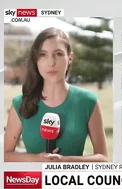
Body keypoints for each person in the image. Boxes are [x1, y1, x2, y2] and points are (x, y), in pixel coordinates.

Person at [4, 27, 108, 162]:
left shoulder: (88, 102)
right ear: (36, 60)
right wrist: (36, 159)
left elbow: (103, 158)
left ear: (70, 58)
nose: (51, 62)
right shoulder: (19, 103)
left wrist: (65, 161)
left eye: (58, 54)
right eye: (43, 54)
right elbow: (5, 155)